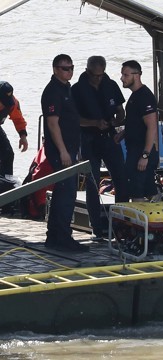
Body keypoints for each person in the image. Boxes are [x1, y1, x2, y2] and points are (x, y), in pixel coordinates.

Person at [72, 55, 127, 240]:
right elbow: (74, 119)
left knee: (121, 178)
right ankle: (97, 229)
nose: (98, 78)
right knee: (92, 183)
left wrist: (115, 120)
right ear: (87, 71)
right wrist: (94, 123)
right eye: (94, 75)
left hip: (109, 138)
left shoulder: (110, 85)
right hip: (88, 139)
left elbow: (121, 110)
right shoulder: (77, 90)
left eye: (101, 75)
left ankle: (121, 226)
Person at [41, 54, 88, 252]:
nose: (69, 71)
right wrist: (63, 151)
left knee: (63, 191)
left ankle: (54, 236)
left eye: (71, 68)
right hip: (61, 150)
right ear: (55, 69)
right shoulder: (53, 91)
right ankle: (62, 236)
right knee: (67, 193)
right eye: (64, 68)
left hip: (70, 147)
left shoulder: (66, 88)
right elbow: (52, 124)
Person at [119, 60, 159, 201]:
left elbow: (152, 126)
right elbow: (136, 122)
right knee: (148, 190)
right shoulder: (134, 96)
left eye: (125, 75)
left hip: (141, 152)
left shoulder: (145, 96)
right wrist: (122, 134)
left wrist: (145, 156)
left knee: (137, 193)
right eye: (122, 74)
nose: (122, 78)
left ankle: (144, 221)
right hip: (134, 149)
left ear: (136, 75)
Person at [0, 81, 28, 178]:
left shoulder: (13, 103)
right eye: (3, 102)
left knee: (8, 154)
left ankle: (6, 184)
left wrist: (23, 136)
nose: (6, 105)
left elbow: (18, 119)